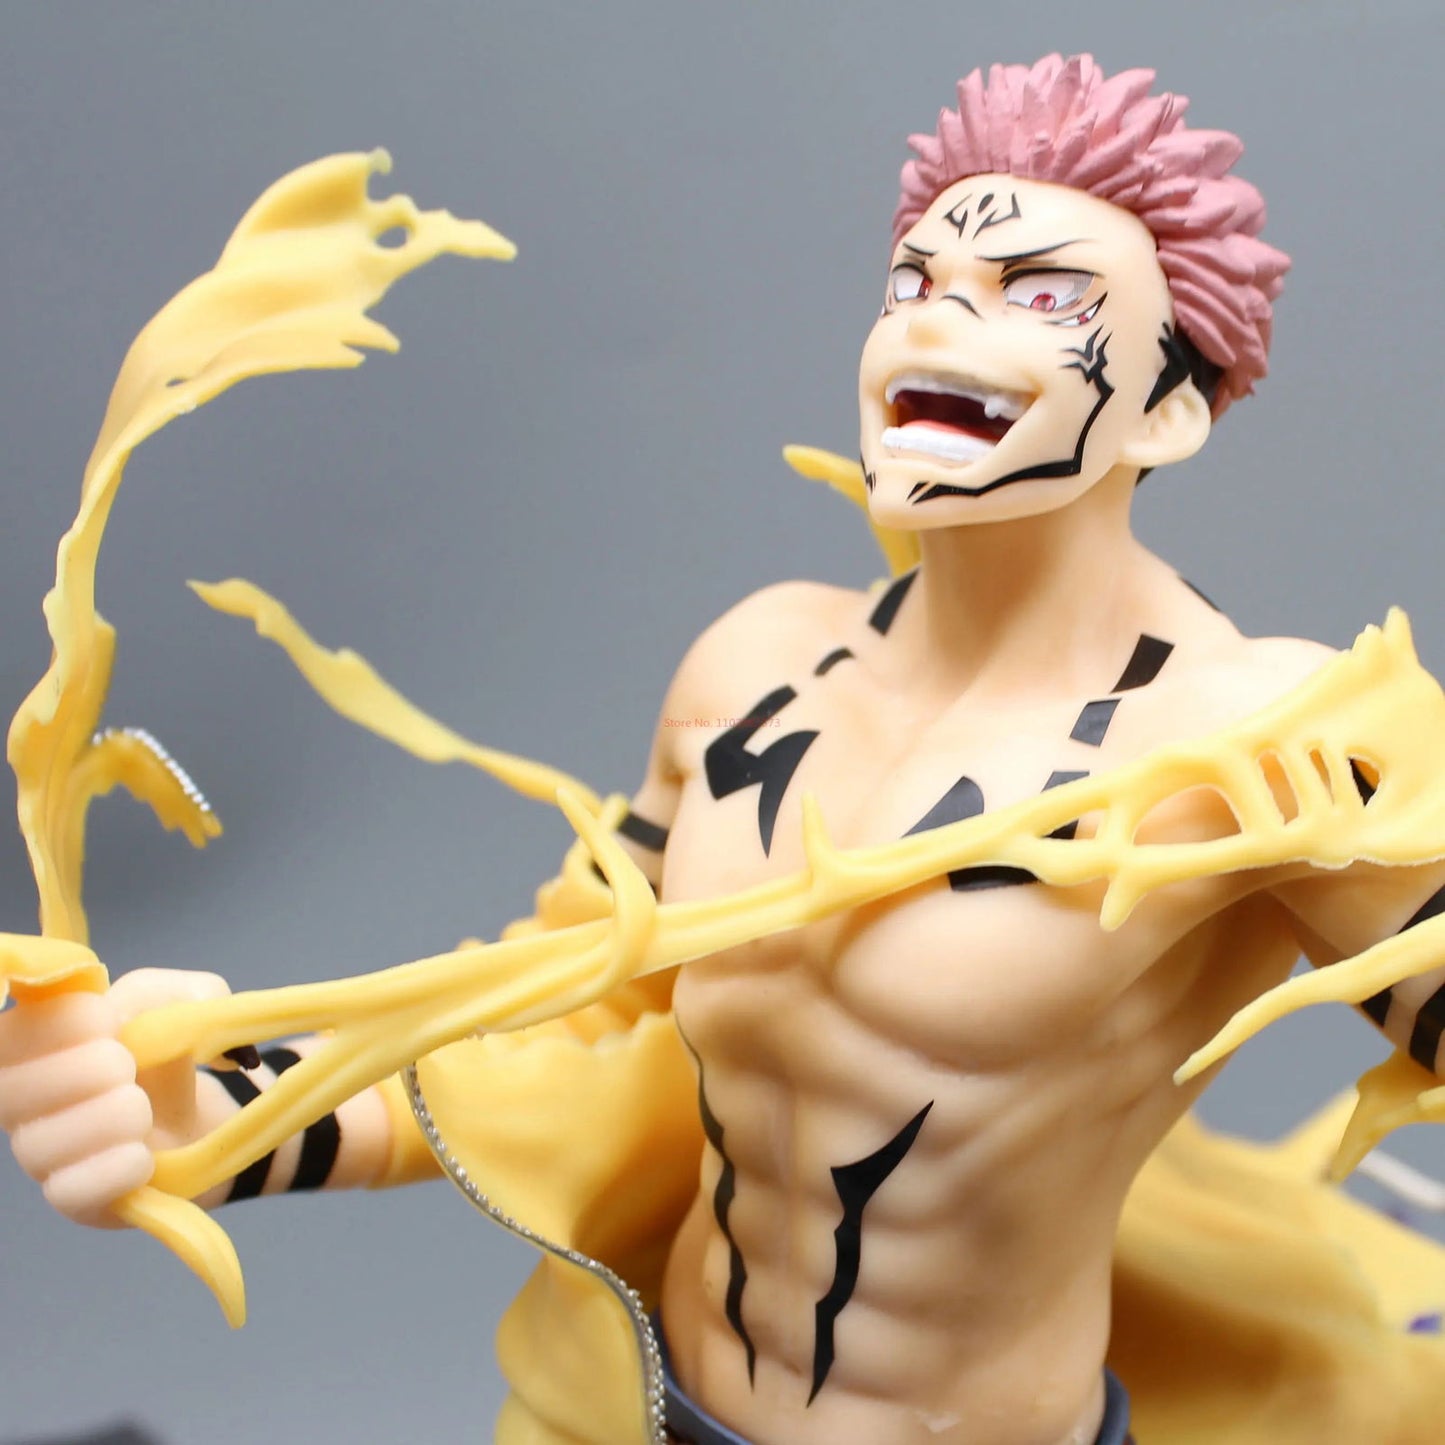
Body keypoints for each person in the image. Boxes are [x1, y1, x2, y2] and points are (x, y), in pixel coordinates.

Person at [4, 55, 1445, 1445]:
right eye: (914, 282)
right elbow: (562, 1014)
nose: (938, 324)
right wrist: (215, 1107)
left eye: (1042, 294)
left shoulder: (1262, 742)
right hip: (646, 1410)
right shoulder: (758, 668)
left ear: (1171, 405)